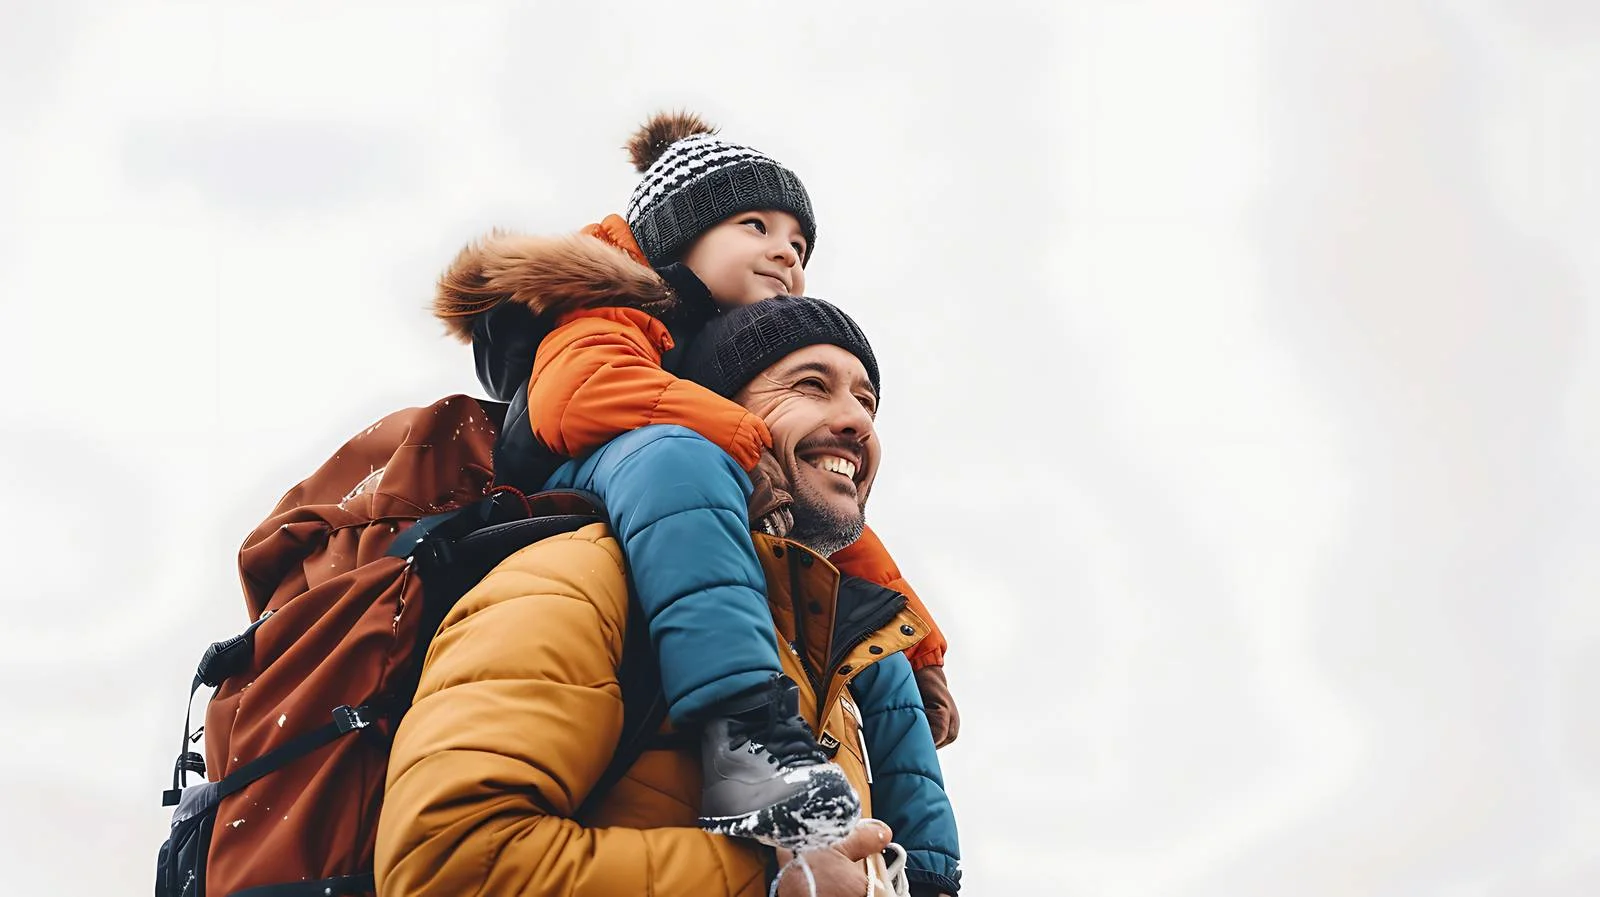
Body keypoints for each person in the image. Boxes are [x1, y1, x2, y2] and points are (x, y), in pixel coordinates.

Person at [430, 110, 959, 849]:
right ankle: (744, 728)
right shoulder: (612, 301)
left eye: (800, 244)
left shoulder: (704, 350)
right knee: (682, 455)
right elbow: (577, 392)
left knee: (861, 617)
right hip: (592, 466)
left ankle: (928, 860)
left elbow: (848, 539)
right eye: (756, 226)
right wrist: (743, 438)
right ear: (682, 232)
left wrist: (921, 645)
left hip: (679, 474)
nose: (787, 254)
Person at [375, 297, 961, 897]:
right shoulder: (583, 575)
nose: (857, 422)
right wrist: (770, 881)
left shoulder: (835, 667)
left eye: (867, 403)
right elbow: (448, 865)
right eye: (810, 386)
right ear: (717, 417)